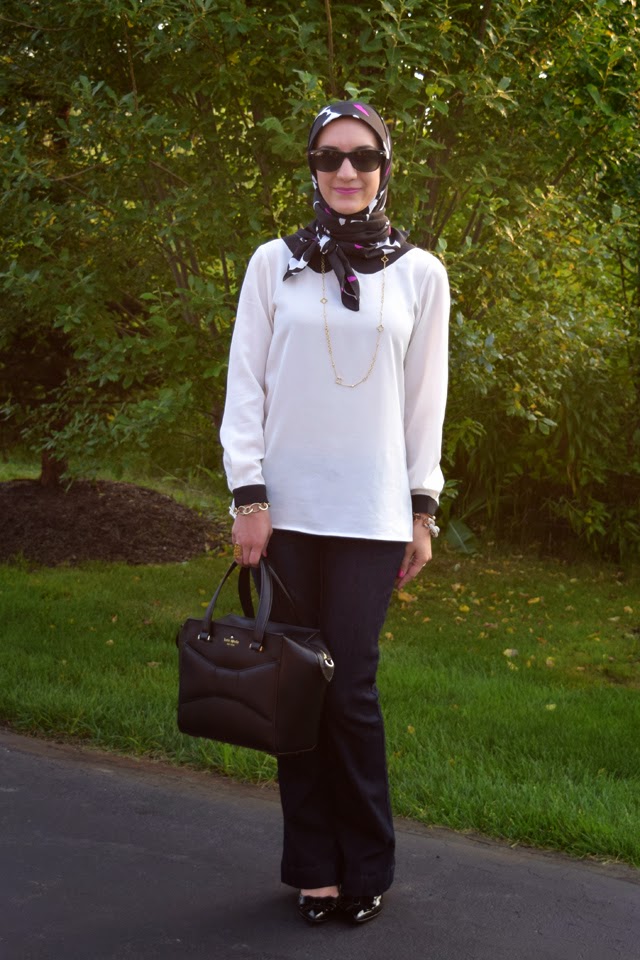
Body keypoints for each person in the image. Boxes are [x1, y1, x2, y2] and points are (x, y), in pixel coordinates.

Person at [220, 99, 449, 925]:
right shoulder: (272, 264)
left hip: (372, 516)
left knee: (349, 689)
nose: (346, 171)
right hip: (284, 516)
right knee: (295, 693)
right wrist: (248, 494)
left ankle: (367, 865)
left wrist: (422, 508)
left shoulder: (421, 274)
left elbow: (425, 402)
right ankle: (313, 868)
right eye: (328, 158)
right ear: (311, 169)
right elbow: (245, 386)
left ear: (385, 166)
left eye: (362, 156)